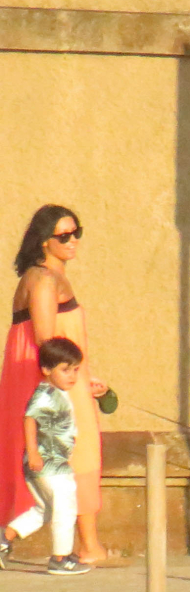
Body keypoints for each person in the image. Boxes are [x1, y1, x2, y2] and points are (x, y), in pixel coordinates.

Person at [2, 205, 117, 567]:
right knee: (76, 454)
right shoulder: (43, 279)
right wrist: (71, 379)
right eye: (63, 236)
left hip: (66, 376)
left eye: (76, 232)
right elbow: (47, 340)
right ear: (44, 241)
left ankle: (85, 545)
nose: (72, 241)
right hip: (54, 382)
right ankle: (86, 547)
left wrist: (86, 375)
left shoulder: (50, 277)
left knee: (75, 455)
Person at [8, 337, 89, 574]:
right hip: (49, 462)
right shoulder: (46, 394)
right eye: (65, 370)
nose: (72, 376)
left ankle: (5, 538)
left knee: (46, 509)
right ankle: (60, 558)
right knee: (65, 506)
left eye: (75, 370)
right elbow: (30, 419)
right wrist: (33, 452)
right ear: (46, 370)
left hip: (50, 462)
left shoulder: (57, 392)